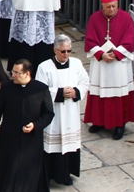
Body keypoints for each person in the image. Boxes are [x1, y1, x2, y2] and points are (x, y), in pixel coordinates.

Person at [0, 59, 53, 192]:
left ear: (27, 74)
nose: (13, 75)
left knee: (28, 173)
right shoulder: (6, 88)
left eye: (17, 73)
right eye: (13, 72)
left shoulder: (41, 89)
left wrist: (35, 125)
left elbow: (48, 114)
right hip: (8, 138)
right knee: (5, 170)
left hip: (31, 141)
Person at [83, 0, 134, 139]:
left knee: (119, 94)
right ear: (103, 6)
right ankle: (98, 121)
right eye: (108, 7)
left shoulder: (126, 18)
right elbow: (90, 40)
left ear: (117, 5)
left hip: (118, 64)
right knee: (99, 93)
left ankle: (119, 124)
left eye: (114, 6)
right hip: (101, 63)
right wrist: (101, 54)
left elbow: (130, 40)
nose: (111, 9)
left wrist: (116, 53)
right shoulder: (95, 18)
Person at [35, 35, 89, 186]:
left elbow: (85, 81)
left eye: (69, 51)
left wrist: (76, 91)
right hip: (54, 114)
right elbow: (40, 90)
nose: (66, 54)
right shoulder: (44, 67)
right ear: (55, 50)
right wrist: (59, 93)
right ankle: (50, 174)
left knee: (69, 144)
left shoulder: (77, 64)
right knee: (54, 145)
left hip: (71, 112)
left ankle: (65, 174)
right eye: (63, 51)